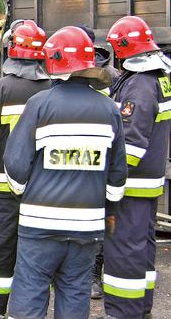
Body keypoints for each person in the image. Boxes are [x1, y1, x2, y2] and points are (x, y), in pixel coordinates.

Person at [3, 26, 127, 319]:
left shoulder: (39, 105)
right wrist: (104, 208)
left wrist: (24, 193)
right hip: (87, 227)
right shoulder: (110, 109)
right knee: (74, 294)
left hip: (40, 227)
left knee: (30, 295)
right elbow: (117, 176)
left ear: (53, 61)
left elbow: (16, 167)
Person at [0, 20, 50, 319]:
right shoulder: (55, 88)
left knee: (1, 249)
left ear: (11, 49)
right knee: (35, 252)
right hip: (43, 190)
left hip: (4, 191)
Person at [103, 16, 171, 319]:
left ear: (123, 47)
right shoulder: (156, 76)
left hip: (131, 186)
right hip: (147, 183)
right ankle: (140, 309)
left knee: (124, 252)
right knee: (141, 248)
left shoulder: (140, 85)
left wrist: (110, 182)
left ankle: (124, 312)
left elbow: (130, 146)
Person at [75, 23, 121, 299]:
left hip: (96, 157)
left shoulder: (110, 77)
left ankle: (93, 275)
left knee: (98, 221)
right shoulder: (70, 72)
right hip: (89, 157)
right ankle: (86, 275)